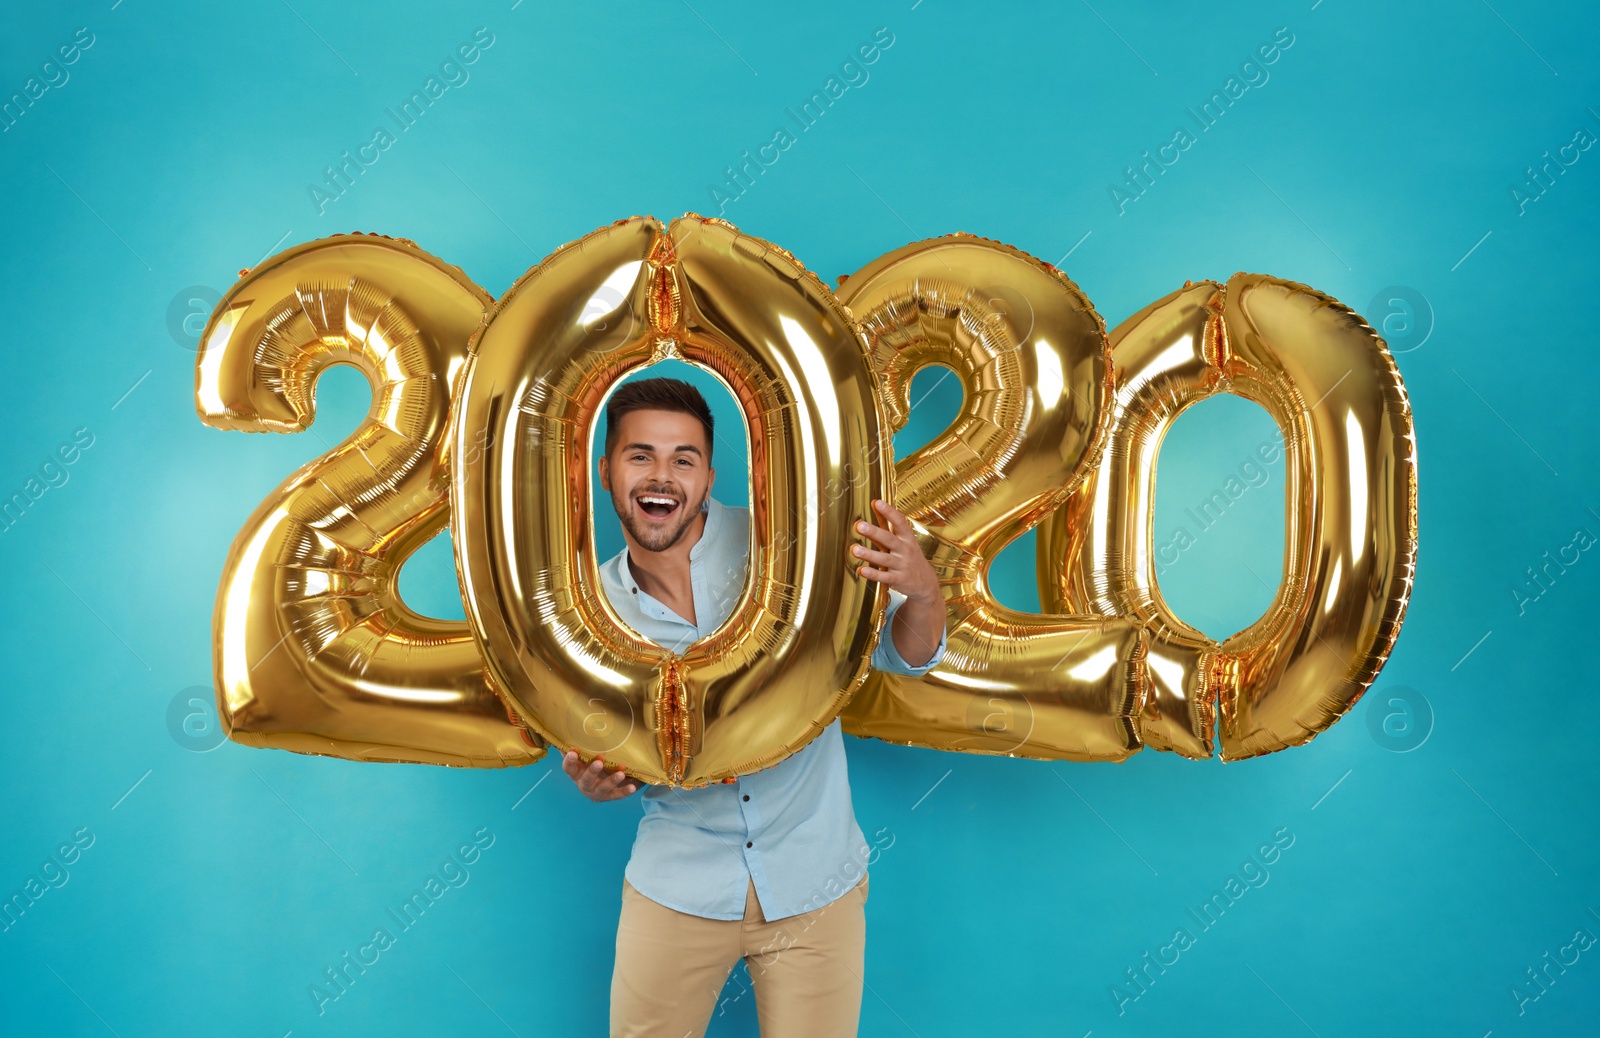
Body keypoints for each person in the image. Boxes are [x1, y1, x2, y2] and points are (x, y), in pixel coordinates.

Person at [559, 377, 946, 1038]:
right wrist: (601, 781)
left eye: (682, 459)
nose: (662, 476)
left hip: (816, 883)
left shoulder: (788, 544)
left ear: (708, 477)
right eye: (640, 455)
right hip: (677, 886)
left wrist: (923, 591)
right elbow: (606, 748)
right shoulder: (582, 612)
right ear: (604, 471)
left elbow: (895, 654)